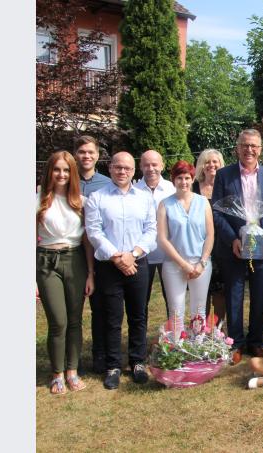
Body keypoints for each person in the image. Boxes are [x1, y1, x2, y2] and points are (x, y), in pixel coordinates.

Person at [85, 151, 157, 390]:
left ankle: (138, 362)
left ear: (133, 170)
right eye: (118, 167)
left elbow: (151, 231)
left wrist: (132, 255)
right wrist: (117, 257)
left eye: (127, 168)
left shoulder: (144, 198)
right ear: (110, 168)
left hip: (138, 262)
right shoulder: (98, 197)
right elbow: (94, 232)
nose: (122, 171)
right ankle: (113, 365)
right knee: (112, 318)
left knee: (138, 315)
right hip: (110, 266)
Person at [212, 130, 263, 360]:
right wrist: (232, 238)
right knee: (234, 294)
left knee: (260, 295)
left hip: (262, 248)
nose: (249, 150)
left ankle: (255, 340)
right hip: (232, 245)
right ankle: (235, 342)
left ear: (261, 149)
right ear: (237, 148)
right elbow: (217, 211)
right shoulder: (224, 175)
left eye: (254, 146)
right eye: (245, 145)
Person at [36, 151, 95, 394]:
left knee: (74, 319)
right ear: (50, 171)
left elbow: (87, 240)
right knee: (57, 321)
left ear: (72, 173)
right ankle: (57, 372)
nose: (61, 174)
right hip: (46, 261)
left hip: (75, 260)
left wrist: (91, 273)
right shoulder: (38, 200)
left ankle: (72, 370)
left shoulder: (80, 201)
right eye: (57, 169)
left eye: (66, 170)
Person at [156, 160, 214, 333]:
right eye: (179, 178)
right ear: (173, 180)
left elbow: (210, 234)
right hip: (174, 264)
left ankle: (197, 345)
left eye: (187, 178)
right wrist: (184, 265)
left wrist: (202, 262)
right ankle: (177, 348)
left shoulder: (203, 202)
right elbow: (162, 238)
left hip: (201, 264)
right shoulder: (165, 204)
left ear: (193, 178)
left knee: (199, 309)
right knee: (176, 310)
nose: (184, 182)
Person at [73, 135, 110, 373]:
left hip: (97, 253)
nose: (86, 156)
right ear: (76, 154)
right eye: (82, 152)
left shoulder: (107, 184)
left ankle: (100, 354)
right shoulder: (66, 179)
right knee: (73, 310)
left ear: (97, 155)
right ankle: (71, 359)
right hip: (71, 250)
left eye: (91, 152)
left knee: (101, 308)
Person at [134, 150, 176, 317]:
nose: (150, 168)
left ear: (162, 165)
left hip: (168, 253)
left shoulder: (171, 189)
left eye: (154, 164)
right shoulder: (133, 190)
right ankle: (140, 339)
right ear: (140, 166)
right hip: (142, 254)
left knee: (172, 299)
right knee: (141, 300)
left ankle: (173, 336)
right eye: (146, 165)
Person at [192, 149, 226, 324]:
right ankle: (200, 330)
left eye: (215, 162)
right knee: (200, 291)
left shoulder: (226, 187)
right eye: (207, 162)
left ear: (221, 164)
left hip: (222, 246)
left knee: (220, 292)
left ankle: (218, 332)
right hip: (198, 247)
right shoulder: (193, 188)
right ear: (201, 166)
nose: (211, 165)